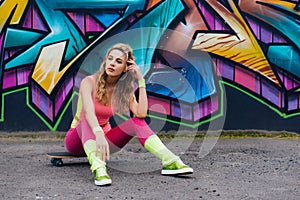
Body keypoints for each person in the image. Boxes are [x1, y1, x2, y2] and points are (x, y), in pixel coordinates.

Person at [64, 43, 193, 186]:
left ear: (127, 67)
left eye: (118, 61)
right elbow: (88, 112)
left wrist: (141, 81)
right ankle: (99, 169)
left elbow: (141, 114)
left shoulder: (124, 89)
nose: (112, 63)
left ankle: (171, 161)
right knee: (86, 122)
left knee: (136, 122)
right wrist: (98, 133)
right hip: (78, 138)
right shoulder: (88, 82)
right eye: (110, 59)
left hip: (104, 143)